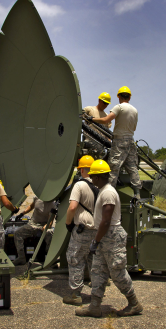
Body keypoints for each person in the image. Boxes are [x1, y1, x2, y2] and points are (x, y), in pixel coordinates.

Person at [75, 159, 143, 317]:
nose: (91, 179)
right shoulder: (104, 191)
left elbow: (106, 221)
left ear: (98, 177)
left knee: (117, 273)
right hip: (103, 236)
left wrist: (96, 241)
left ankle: (134, 303)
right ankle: (94, 306)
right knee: (98, 272)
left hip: (110, 237)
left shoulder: (108, 193)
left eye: (93, 177)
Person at [92, 86, 141, 198]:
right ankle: (137, 192)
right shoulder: (135, 110)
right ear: (129, 97)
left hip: (119, 140)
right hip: (130, 140)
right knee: (132, 166)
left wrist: (92, 119)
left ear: (119, 97)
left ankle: (108, 193)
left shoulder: (119, 107)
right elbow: (134, 128)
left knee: (114, 166)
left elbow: (106, 120)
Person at [63, 155, 98, 306]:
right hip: (97, 230)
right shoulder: (100, 185)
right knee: (93, 260)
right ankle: (97, 293)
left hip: (82, 230)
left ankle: (76, 294)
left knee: (75, 258)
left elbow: (72, 207)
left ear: (82, 169)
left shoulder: (79, 185)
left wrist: (68, 223)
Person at [12, 196, 57, 266]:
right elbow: (31, 206)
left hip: (43, 225)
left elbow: (50, 222)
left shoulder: (52, 205)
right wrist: (22, 213)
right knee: (17, 233)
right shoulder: (37, 198)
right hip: (32, 224)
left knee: (50, 233)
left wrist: (46, 227)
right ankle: (21, 257)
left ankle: (50, 258)